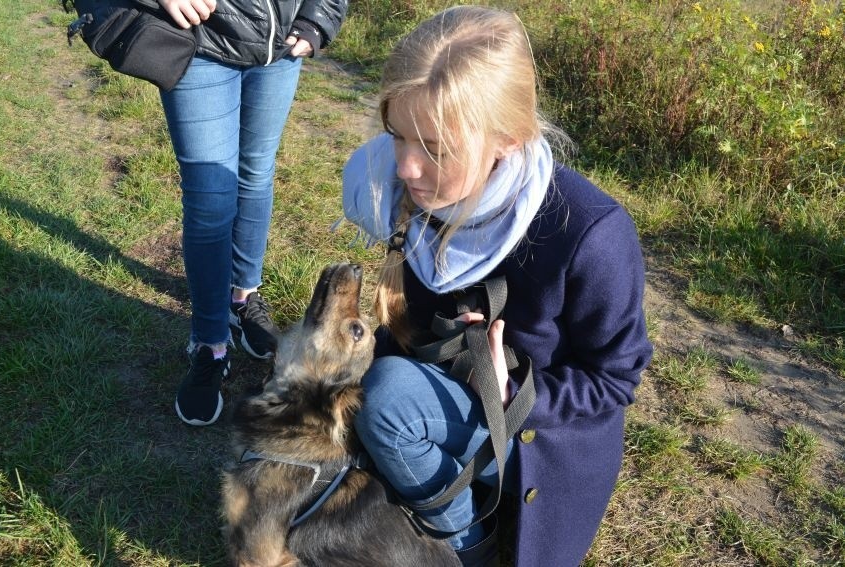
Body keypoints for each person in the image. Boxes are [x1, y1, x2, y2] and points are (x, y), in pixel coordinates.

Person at [341, 6, 653, 566]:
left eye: (434, 148)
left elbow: (615, 378)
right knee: (372, 397)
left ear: (507, 138)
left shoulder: (588, 232)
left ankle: (469, 552)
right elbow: (404, 321)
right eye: (397, 135)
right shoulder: (410, 191)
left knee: (386, 400)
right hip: (454, 404)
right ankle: (464, 529)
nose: (407, 168)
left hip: (537, 443)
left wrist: (516, 394)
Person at [160, 0, 348, 426]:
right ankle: (209, 344)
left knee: (257, 172)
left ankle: (243, 300)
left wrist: (318, 19)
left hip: (278, 46)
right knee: (210, 198)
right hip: (199, 40)